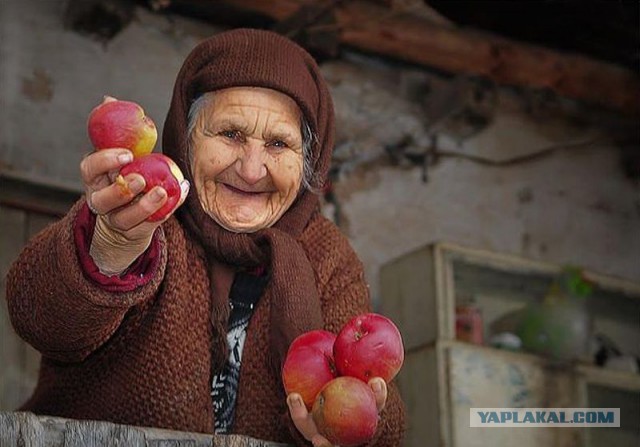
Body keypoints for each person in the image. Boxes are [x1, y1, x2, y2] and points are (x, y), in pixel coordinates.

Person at [6, 28, 405, 445]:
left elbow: (383, 403)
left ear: (308, 160)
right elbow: (39, 319)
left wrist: (359, 423)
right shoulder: (142, 213)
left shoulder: (328, 256)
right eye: (231, 134)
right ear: (186, 138)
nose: (252, 170)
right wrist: (109, 250)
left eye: (278, 144)